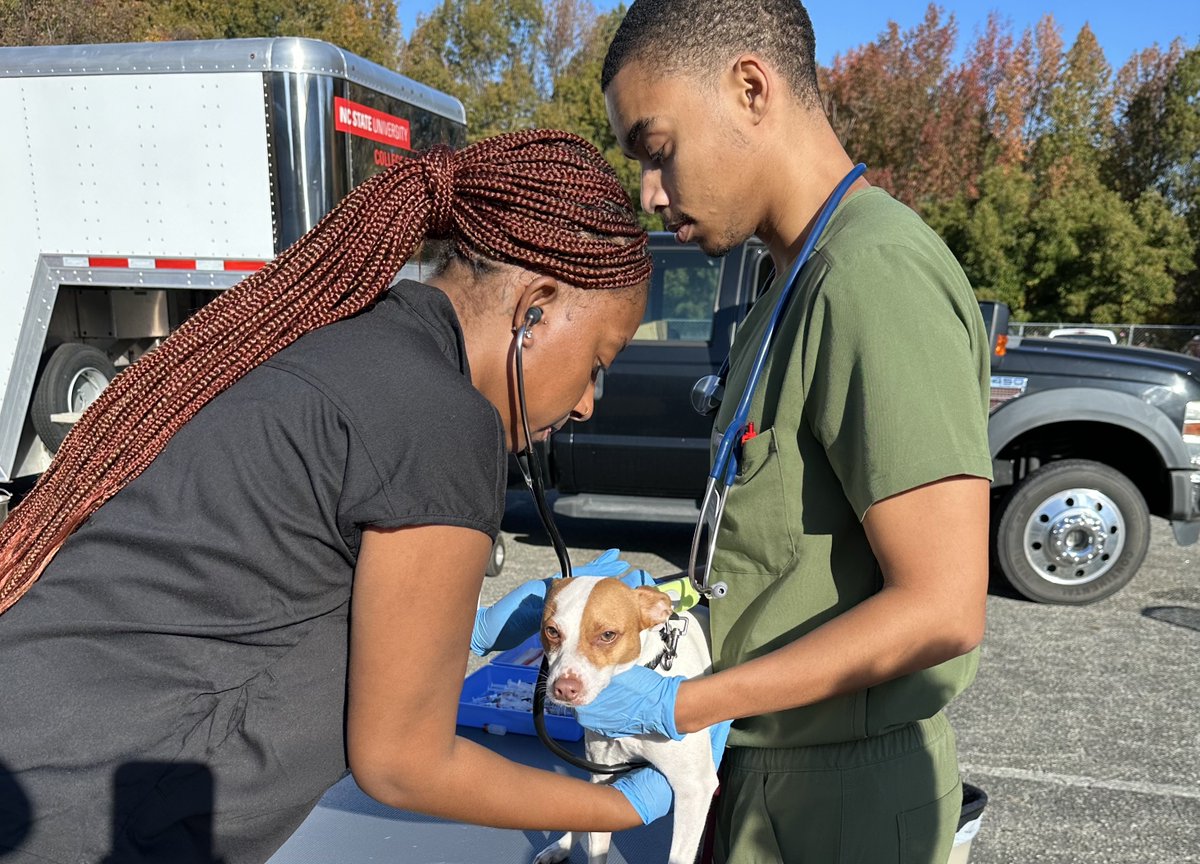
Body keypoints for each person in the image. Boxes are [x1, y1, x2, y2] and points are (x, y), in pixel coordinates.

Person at [0, 130, 692, 864]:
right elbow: (403, 762)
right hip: (74, 822)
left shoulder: (349, 345)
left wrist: (468, 627)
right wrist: (620, 804)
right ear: (536, 308)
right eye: (597, 364)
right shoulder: (442, 420)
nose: (587, 403)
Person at [568, 2, 994, 861]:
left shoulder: (872, 273)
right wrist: (639, 607)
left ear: (750, 88)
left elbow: (943, 609)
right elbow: (781, 557)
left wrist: (684, 707)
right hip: (766, 770)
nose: (651, 193)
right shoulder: (791, 276)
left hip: (839, 796)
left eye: (657, 150)